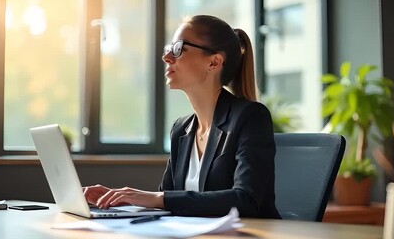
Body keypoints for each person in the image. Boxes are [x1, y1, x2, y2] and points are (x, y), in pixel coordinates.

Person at [83, 15, 281, 219]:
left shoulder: (251, 117)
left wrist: (158, 198)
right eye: (169, 48)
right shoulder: (181, 129)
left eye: (178, 48)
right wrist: (119, 199)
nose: (166, 57)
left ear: (214, 62)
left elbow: (246, 200)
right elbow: (165, 200)